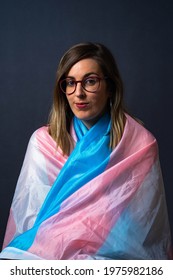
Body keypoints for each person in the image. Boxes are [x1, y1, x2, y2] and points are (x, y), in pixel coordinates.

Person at [0, 42, 172, 260]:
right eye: (70, 83)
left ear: (110, 87)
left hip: (116, 263)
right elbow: (31, 217)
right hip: (47, 259)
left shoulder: (140, 144)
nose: (78, 93)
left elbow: (144, 226)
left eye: (90, 81)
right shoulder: (44, 142)